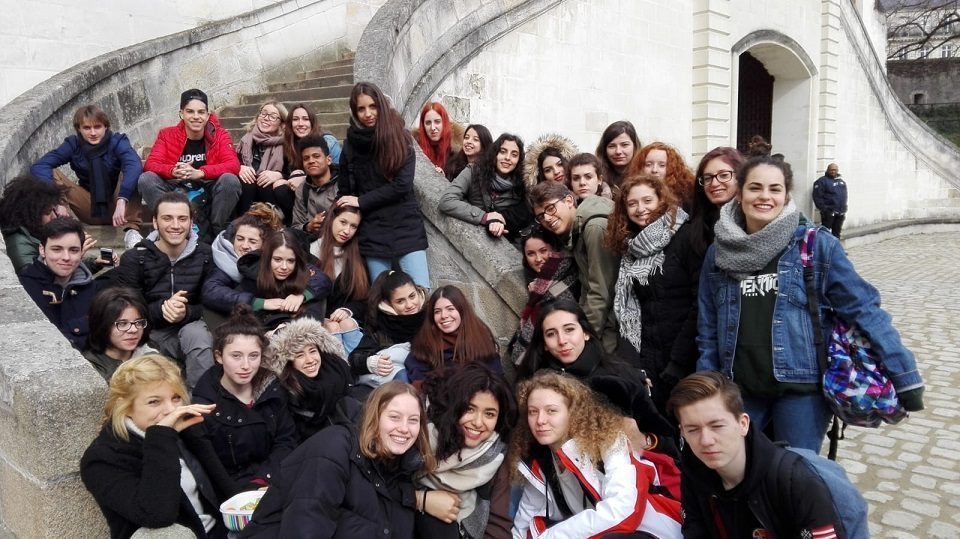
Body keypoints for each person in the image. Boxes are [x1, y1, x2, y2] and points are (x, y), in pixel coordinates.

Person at [697, 156, 924, 452]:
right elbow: (708, 328)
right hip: (739, 389)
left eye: (775, 189)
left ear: (786, 196)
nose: (765, 196)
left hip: (801, 392)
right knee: (740, 475)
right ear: (739, 195)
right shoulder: (719, 252)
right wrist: (707, 387)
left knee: (797, 476)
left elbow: (864, 309)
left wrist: (905, 375)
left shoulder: (816, 245)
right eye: (755, 188)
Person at [667, 372, 863, 538]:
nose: (706, 440)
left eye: (717, 426)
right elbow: (694, 530)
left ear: (743, 424)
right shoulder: (694, 471)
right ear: (682, 431)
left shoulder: (796, 481)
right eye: (693, 429)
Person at [238, 381, 436, 538]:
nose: (404, 428)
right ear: (374, 417)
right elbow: (305, 524)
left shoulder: (400, 467)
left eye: (413, 420)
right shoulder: (334, 447)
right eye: (394, 417)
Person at [80, 355, 239, 539]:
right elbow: (157, 514)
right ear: (125, 406)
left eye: (176, 398)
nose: (171, 410)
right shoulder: (102, 459)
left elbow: (224, 487)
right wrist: (162, 437)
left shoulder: (186, 429)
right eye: (154, 401)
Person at [510, 372, 682, 539]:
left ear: (572, 413)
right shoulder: (540, 462)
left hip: (652, 529)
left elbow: (623, 510)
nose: (540, 420)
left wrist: (551, 536)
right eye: (533, 412)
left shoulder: (609, 439)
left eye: (551, 411)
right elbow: (526, 520)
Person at [516, 300, 676, 451]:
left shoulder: (619, 378)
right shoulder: (535, 383)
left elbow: (667, 440)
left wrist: (645, 441)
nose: (562, 340)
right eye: (551, 334)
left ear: (586, 333)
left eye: (569, 329)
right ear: (544, 343)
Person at [605, 174, 701, 411]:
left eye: (647, 200)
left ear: (662, 200)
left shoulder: (685, 235)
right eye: (632, 204)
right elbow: (631, 310)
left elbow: (699, 303)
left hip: (685, 355)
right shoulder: (630, 249)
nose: (640, 209)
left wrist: (678, 361)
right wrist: (635, 364)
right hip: (651, 358)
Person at [112, 191, 214, 389]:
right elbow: (125, 308)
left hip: (189, 327)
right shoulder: (135, 258)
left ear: (191, 222)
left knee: (198, 336)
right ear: (155, 222)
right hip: (148, 329)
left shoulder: (204, 254)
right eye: (167, 218)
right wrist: (161, 310)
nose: (175, 225)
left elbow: (209, 303)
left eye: (182, 218)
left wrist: (185, 313)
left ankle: (202, 403)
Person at [337, 82, 430, 288]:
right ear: (354, 111)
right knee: (381, 297)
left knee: (420, 290)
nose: (368, 113)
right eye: (361, 109)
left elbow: (402, 185)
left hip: (405, 226)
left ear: (381, 106)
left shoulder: (400, 137)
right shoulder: (351, 144)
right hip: (372, 230)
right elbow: (346, 189)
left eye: (373, 106)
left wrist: (361, 201)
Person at [192, 305, 298, 486]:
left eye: (254, 356)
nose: (246, 365)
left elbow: (285, 442)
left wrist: (263, 480)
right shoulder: (204, 401)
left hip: (273, 479)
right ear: (219, 356)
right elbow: (208, 463)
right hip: (230, 491)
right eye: (236, 356)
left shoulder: (273, 390)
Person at [415, 364, 516, 539]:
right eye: (469, 409)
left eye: (489, 414)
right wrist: (421, 500)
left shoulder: (496, 456)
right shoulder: (418, 434)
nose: (478, 422)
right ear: (452, 406)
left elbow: (498, 525)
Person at [30, 104, 145, 248]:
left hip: (120, 206)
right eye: (87, 128)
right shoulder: (73, 144)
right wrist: (57, 201)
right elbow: (39, 166)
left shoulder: (117, 141)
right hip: (90, 207)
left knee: (132, 168)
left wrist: (122, 200)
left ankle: (132, 231)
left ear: (105, 127)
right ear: (79, 129)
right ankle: (65, 225)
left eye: (97, 127)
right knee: (50, 173)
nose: (93, 133)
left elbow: (134, 164)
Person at [528, 181, 619, 352]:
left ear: (569, 201)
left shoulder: (593, 228)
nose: (547, 218)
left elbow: (601, 292)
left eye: (550, 208)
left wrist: (584, 339)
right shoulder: (577, 229)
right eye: (540, 216)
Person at [139, 88, 242, 239]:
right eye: (190, 112)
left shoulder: (220, 135)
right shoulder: (167, 134)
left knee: (230, 181)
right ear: (181, 114)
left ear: (207, 115)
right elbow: (151, 164)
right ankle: (167, 223)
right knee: (146, 179)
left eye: (201, 112)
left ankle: (216, 229)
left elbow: (233, 165)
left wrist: (201, 172)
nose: (196, 117)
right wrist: (172, 171)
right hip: (177, 185)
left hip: (208, 185)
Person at [266, 317, 361, 441]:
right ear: (288, 361)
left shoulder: (337, 369)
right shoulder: (285, 391)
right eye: (299, 355)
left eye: (312, 351)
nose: (310, 360)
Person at [19, 218, 103, 350]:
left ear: (82, 252)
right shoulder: (23, 287)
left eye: (73, 250)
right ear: (42, 250)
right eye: (57, 249)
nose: (66, 257)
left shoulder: (93, 289)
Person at [439, 133, 533, 242]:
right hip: (468, 238)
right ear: (495, 153)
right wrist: (484, 217)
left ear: (519, 160)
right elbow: (447, 200)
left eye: (514, 154)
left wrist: (500, 224)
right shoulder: (473, 171)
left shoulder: (522, 185)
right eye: (503, 152)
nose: (507, 158)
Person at [507, 227, 578, 368]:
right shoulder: (539, 285)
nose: (538, 259)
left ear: (553, 248)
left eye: (543, 251)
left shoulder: (569, 275)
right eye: (531, 254)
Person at [405, 285, 503, 388]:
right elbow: (419, 379)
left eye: (450, 309)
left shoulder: (480, 337)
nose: (444, 316)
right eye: (437, 311)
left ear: (461, 310)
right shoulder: (425, 343)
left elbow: (496, 379)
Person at [238, 229, 331, 331]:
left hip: (299, 336)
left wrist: (301, 296)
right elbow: (239, 308)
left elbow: (324, 282)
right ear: (268, 258)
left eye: (290, 261)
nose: (284, 267)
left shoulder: (305, 278)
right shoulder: (254, 277)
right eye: (278, 260)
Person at [348, 270, 428, 388]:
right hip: (394, 383)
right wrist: (371, 362)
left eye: (412, 296)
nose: (410, 305)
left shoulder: (432, 315)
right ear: (389, 304)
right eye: (400, 301)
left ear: (418, 292)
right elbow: (354, 358)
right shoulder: (382, 326)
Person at [206, 204, 285, 313]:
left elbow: (312, 275)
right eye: (240, 239)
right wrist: (256, 302)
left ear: (265, 244)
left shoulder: (278, 257)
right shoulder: (225, 257)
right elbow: (211, 291)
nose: (244, 246)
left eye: (252, 241)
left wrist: (301, 296)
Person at [311, 204, 369, 337]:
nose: (347, 231)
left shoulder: (357, 258)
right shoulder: (310, 250)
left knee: (346, 325)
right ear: (332, 219)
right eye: (343, 222)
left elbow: (364, 299)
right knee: (333, 327)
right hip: (314, 321)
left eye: (353, 226)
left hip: (344, 324)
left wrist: (347, 311)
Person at [236, 101, 296, 221]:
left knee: (265, 184)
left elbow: (295, 171)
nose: (266, 118)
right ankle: (244, 221)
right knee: (247, 182)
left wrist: (278, 175)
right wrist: (240, 167)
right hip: (249, 193)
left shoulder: (287, 144)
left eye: (273, 116)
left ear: (282, 124)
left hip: (270, 194)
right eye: (263, 114)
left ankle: (274, 223)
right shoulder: (246, 140)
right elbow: (233, 161)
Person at [0, 174, 72, 274]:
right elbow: (38, 281)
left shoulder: (35, 232)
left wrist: (94, 264)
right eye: (47, 212)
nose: (54, 217)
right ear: (31, 214)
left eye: (53, 211)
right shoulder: (19, 246)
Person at [84, 287, 158, 381]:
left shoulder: (152, 354)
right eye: (122, 324)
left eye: (138, 322)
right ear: (102, 325)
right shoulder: (90, 367)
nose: (133, 329)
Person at [688, 146, 744, 262]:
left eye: (724, 175)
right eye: (707, 178)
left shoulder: (753, 221)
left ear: (740, 177)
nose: (714, 183)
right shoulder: (698, 224)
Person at [292, 135, 340, 237]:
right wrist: (309, 226)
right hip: (314, 241)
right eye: (306, 158)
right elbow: (296, 226)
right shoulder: (302, 189)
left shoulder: (342, 182)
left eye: (316, 156)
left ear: (329, 160)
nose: (311, 161)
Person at [629, 142, 695, 205]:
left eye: (662, 165)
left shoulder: (686, 196)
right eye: (648, 165)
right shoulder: (632, 193)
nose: (654, 170)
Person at [283, 102, 342, 169]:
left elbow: (338, 171)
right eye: (295, 119)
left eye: (305, 119)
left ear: (312, 122)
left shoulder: (328, 141)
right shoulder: (289, 144)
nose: (300, 124)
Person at [594, 120, 640, 192]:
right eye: (612, 146)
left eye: (624, 145)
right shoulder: (594, 178)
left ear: (635, 146)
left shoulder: (647, 175)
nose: (618, 151)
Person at [414, 101, 457, 173]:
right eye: (428, 123)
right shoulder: (414, 148)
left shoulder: (458, 151)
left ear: (444, 122)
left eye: (437, 122)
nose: (432, 127)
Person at [813, 163, 848, 238]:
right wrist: (825, 210)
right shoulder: (821, 181)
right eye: (831, 170)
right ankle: (824, 249)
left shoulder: (841, 181)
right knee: (825, 234)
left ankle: (835, 249)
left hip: (840, 213)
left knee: (837, 233)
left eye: (835, 170)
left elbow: (844, 195)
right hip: (828, 213)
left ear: (837, 170)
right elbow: (817, 197)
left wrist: (844, 208)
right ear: (828, 170)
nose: (833, 172)